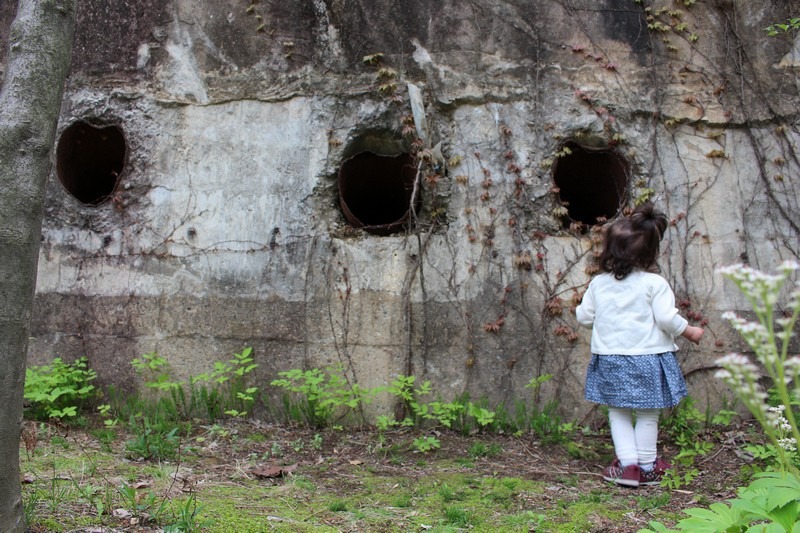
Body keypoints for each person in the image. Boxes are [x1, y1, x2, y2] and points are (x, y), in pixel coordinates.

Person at [575, 202, 704, 488]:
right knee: (648, 413)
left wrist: (583, 312)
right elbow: (666, 318)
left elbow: (585, 318)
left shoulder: (598, 284)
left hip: (610, 360)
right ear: (649, 253)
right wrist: (689, 331)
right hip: (648, 358)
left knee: (618, 411)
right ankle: (647, 466)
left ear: (609, 251)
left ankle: (628, 465)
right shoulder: (654, 284)